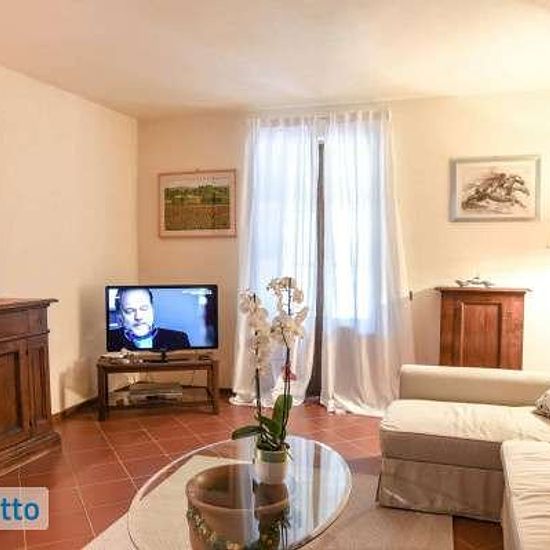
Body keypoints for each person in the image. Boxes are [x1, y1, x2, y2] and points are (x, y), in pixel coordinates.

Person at [107, 287, 190, 351]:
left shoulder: (179, 339)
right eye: (130, 311)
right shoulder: (109, 339)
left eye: (144, 308)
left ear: (152, 309)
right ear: (119, 315)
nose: (138, 317)